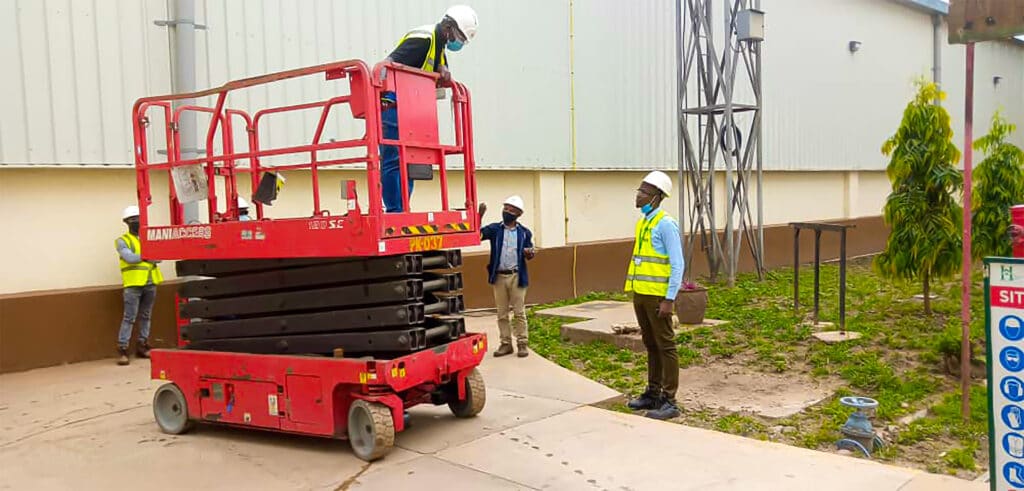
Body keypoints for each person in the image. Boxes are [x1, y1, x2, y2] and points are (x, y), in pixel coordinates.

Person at [379, 5, 478, 213]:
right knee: (393, 160)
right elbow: (386, 67)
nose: (458, 43)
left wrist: (444, 71)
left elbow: (436, 71)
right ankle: (395, 210)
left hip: (412, 110)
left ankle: (403, 208)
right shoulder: (423, 38)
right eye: (459, 37)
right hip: (393, 106)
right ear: (449, 27)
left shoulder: (438, 45)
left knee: (411, 161)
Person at [624, 171, 685, 420]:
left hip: (658, 298)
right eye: (639, 190)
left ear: (657, 197)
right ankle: (653, 392)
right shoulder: (643, 222)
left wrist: (669, 299)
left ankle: (670, 401)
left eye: (644, 192)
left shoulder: (665, 224)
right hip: (641, 293)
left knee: (666, 346)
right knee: (650, 344)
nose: (638, 195)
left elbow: (677, 264)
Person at [478, 196, 535, 358]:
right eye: (505, 208)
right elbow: (478, 235)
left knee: (519, 312)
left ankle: (522, 344)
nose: (507, 212)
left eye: (511, 210)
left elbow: (530, 252)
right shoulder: (495, 229)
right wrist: (479, 216)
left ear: (518, 214)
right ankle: (506, 344)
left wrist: (529, 252)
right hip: (499, 277)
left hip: (517, 276)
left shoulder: (524, 233)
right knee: (502, 313)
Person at [115, 206, 164, 366]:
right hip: (133, 285)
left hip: (150, 282)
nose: (136, 222)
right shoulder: (123, 241)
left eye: (138, 219)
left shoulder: (148, 238)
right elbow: (129, 258)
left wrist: (148, 256)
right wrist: (148, 256)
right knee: (129, 317)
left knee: (146, 316)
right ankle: (123, 349)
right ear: (127, 223)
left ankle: (142, 346)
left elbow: (159, 256)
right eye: (132, 220)